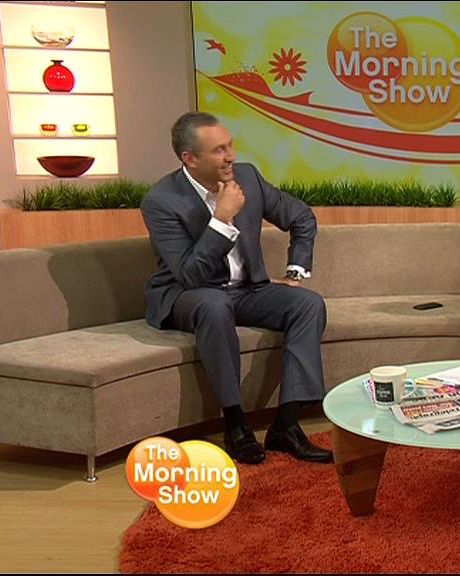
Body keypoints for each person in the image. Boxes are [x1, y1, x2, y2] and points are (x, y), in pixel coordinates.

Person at [141, 111, 331, 465]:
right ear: (190, 159)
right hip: (186, 295)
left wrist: (295, 270)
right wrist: (222, 219)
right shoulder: (161, 200)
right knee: (214, 304)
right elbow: (191, 275)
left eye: (230, 146)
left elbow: (301, 216)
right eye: (219, 150)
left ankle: (286, 426)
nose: (230, 156)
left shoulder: (248, 177)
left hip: (247, 290)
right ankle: (236, 425)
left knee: (308, 304)